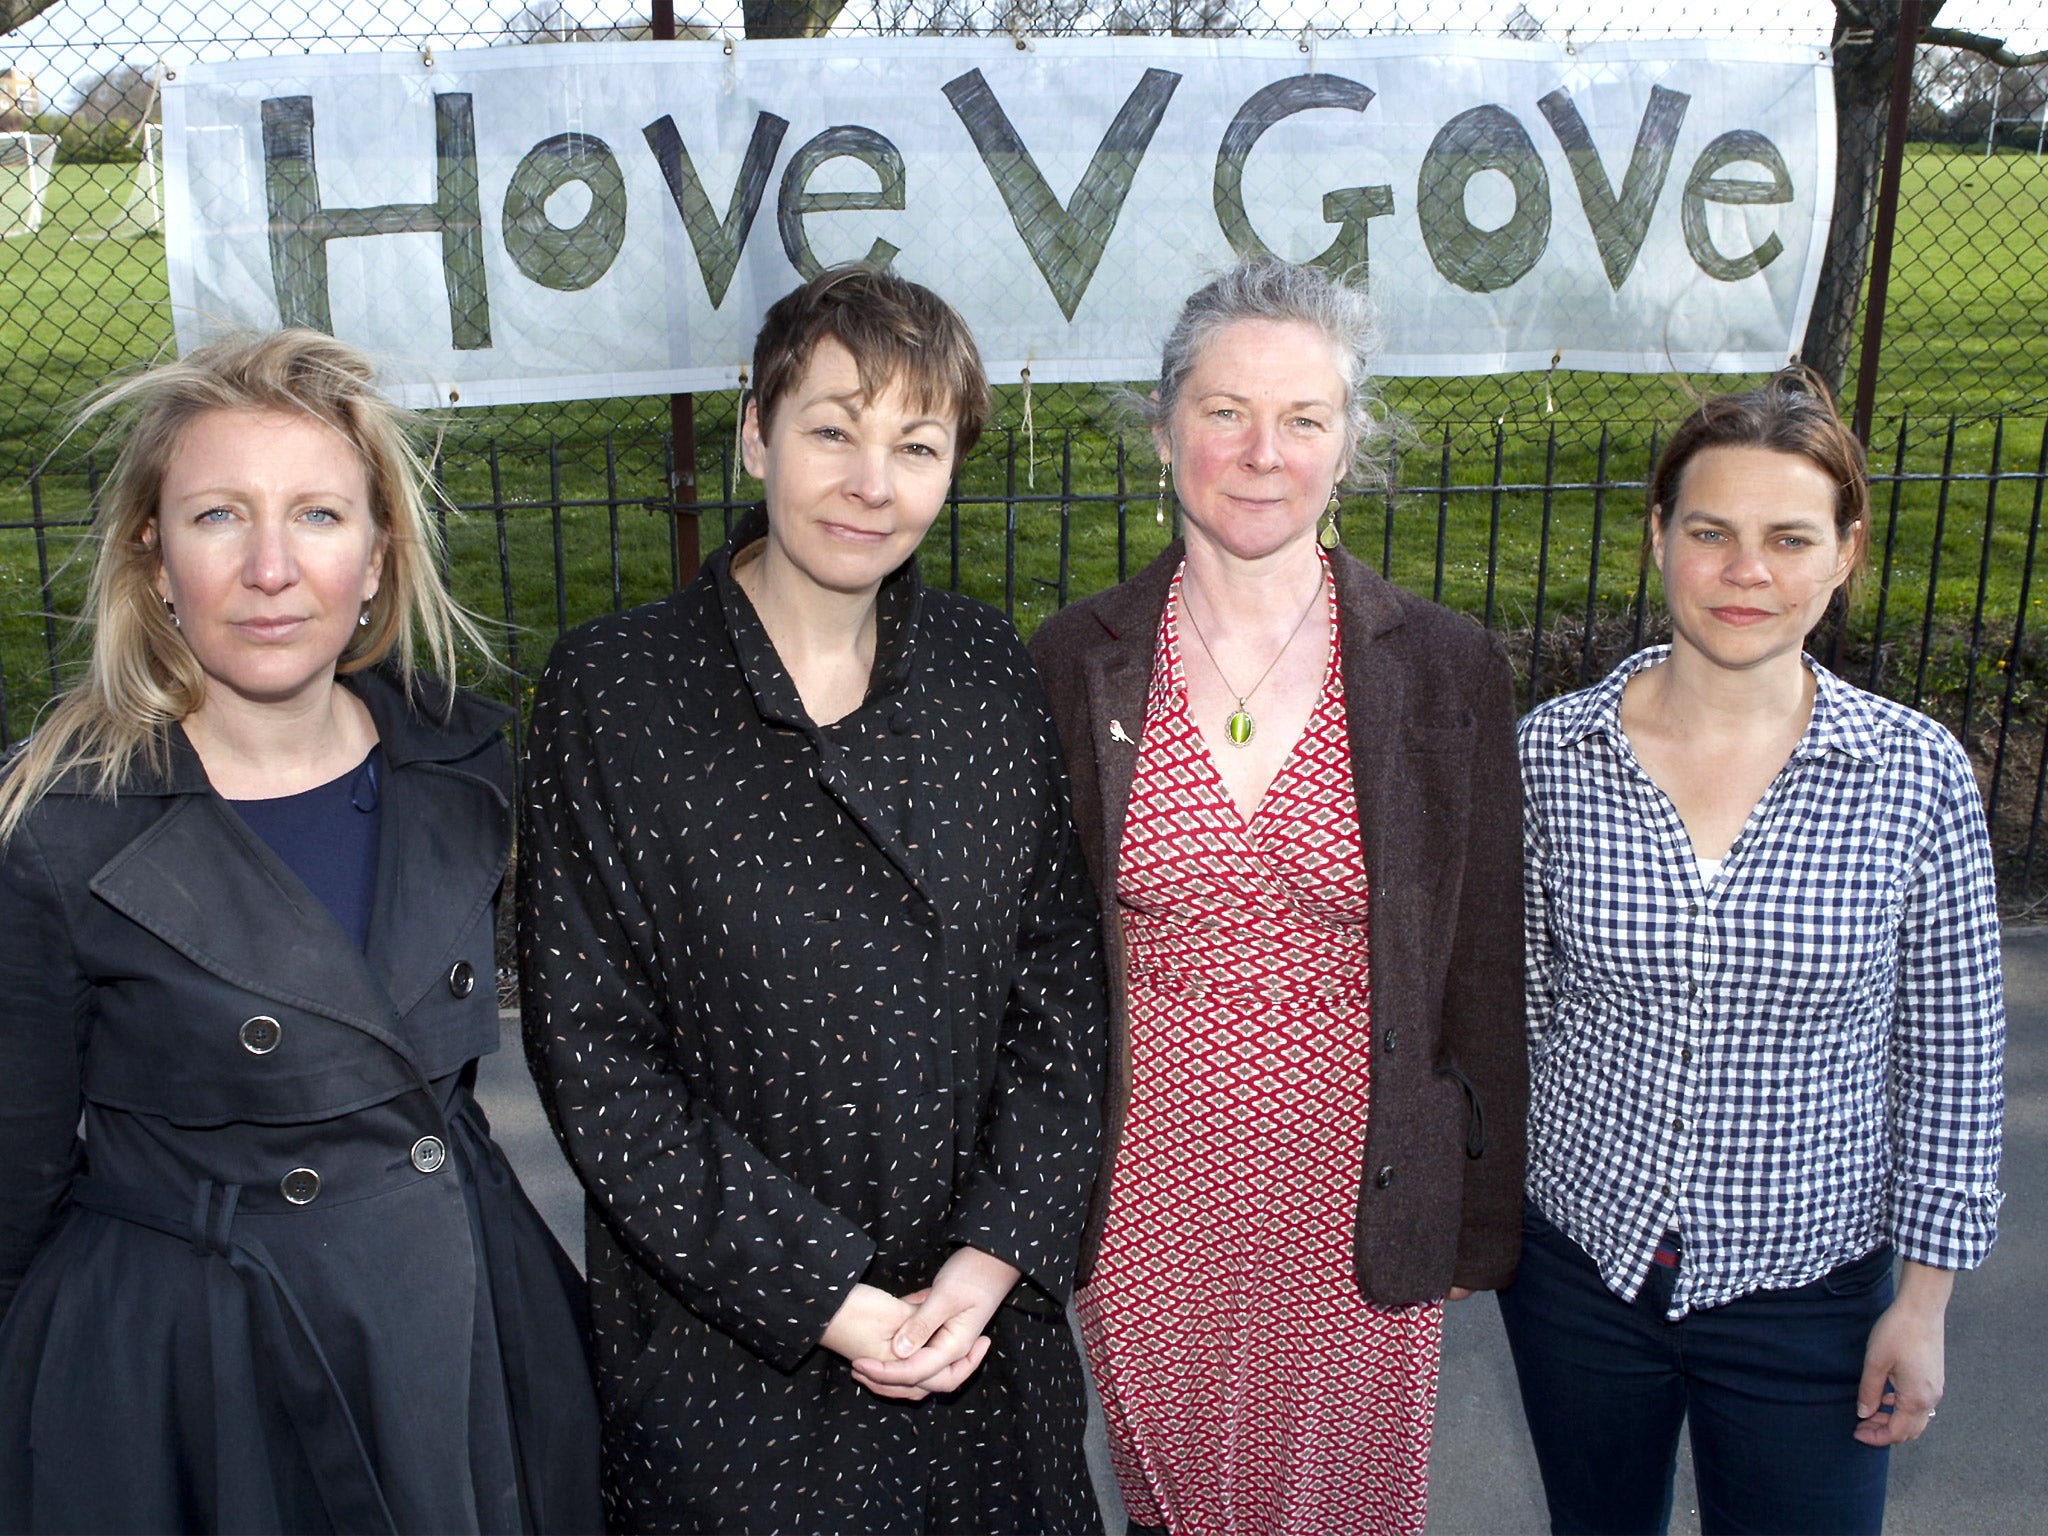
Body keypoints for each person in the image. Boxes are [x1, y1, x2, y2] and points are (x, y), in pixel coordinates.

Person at [518, 264, 1108, 1535]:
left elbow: (1058, 982)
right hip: (729, 1345)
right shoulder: (617, 690)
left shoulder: (982, 665)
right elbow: (592, 1055)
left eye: (915, 443)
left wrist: (994, 1253)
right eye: (830, 429)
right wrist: (831, 1299)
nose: (869, 483)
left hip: (973, 1335)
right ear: (754, 433)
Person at [0, 330, 601, 1534]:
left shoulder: (463, 766)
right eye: (218, 516)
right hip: (197, 1365)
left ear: (377, 558)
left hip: (457, 1318)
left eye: (318, 516)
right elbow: (12, 1175)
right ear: (153, 558)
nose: (270, 568)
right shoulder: (58, 825)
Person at [1029, 257, 1527, 1536]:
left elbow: (1477, 960)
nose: (1261, 452)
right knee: (1174, 1505)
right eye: (1223, 411)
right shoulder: (1066, 665)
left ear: (1346, 443)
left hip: (1359, 1181)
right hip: (1146, 1189)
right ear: (1161, 429)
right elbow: (1026, 964)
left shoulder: (1445, 668)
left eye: (1303, 417)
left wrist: (1474, 1213)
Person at [1504, 369, 2005, 1535]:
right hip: (1580, 1272)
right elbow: (1519, 1007)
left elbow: (1952, 1057)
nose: (1745, 573)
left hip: (1811, 1296)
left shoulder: (1911, 775)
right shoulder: (1549, 758)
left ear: (1842, 555)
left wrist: (1919, 1306)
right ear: (1656, 538)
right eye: (1710, 533)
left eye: (1788, 539)